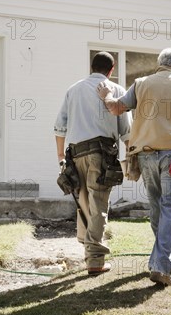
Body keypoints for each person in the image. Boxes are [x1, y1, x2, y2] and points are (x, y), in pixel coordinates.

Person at [97, 47, 171, 286]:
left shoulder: (141, 83)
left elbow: (116, 108)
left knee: (158, 209)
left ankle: (163, 260)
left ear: (158, 64)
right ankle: (162, 266)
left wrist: (106, 95)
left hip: (146, 157)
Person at [54, 52, 132, 275]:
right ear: (112, 68)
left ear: (92, 66)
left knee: (84, 203)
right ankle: (95, 261)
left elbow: (59, 126)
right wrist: (132, 156)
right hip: (102, 154)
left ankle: (89, 252)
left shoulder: (73, 89)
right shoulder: (115, 90)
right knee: (98, 205)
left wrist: (60, 157)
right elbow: (126, 131)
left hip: (76, 154)